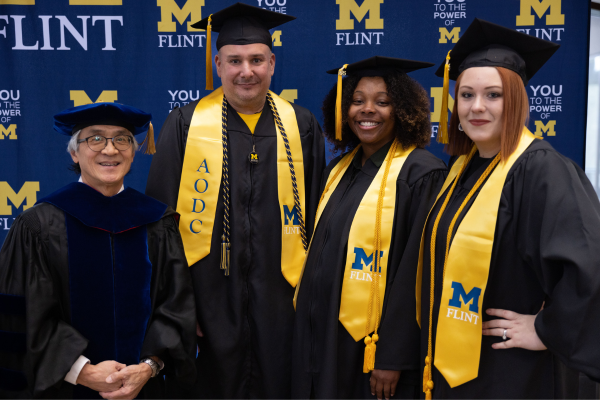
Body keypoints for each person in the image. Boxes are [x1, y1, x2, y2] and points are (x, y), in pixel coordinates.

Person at [145, 3, 325, 398]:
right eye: (235, 60)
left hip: (282, 299)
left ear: (272, 64)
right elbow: (162, 222)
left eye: (257, 59)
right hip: (208, 302)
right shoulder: (187, 124)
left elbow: (317, 214)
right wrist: (180, 302)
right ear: (218, 65)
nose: (247, 70)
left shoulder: (302, 125)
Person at [415, 18, 600, 398]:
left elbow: (590, 263)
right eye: (466, 95)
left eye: (493, 95)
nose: (476, 107)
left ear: (518, 100)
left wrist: (547, 329)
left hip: (513, 374)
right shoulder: (462, 170)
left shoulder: (542, 169)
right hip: (457, 363)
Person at [0, 102, 196, 399]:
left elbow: (176, 306)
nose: (110, 150)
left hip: (144, 386)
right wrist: (82, 371)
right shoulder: (38, 225)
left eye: (122, 139)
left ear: (133, 151)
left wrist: (149, 365)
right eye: (94, 138)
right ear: (74, 153)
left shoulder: (158, 222)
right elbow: (23, 312)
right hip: (64, 388)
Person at [291, 56, 447, 399]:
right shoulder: (338, 170)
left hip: (370, 350)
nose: (367, 110)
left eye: (383, 102)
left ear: (403, 109)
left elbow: (415, 274)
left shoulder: (421, 174)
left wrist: (392, 355)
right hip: (321, 339)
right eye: (357, 101)